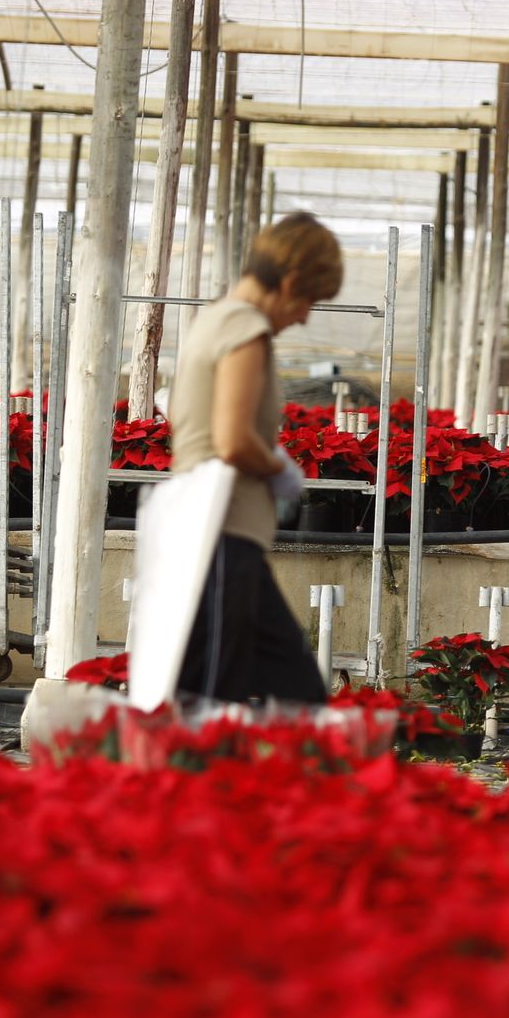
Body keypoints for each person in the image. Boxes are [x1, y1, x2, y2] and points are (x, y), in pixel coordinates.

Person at [169, 212, 343, 704]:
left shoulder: (217, 316)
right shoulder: (245, 328)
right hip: (220, 534)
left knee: (293, 690)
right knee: (210, 694)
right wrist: (279, 468)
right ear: (289, 282)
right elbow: (232, 440)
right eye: (308, 300)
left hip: (221, 533)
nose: (306, 316)